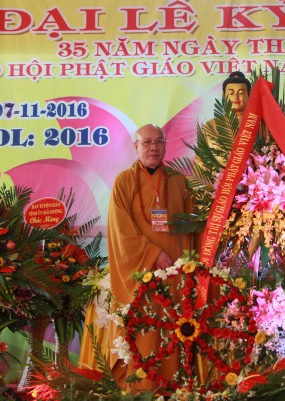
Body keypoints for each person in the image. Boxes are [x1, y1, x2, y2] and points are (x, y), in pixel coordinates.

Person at [107, 123, 194, 392]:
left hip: (175, 272)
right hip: (141, 272)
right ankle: (142, 388)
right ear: (136, 147)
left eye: (159, 141)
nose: (153, 147)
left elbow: (193, 228)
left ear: (166, 146)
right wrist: (153, 253)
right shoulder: (124, 181)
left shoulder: (180, 181)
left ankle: (174, 388)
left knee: (173, 327)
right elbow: (120, 230)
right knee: (145, 331)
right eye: (147, 142)